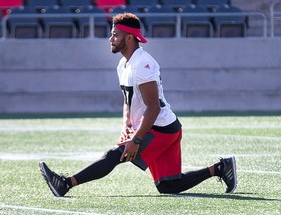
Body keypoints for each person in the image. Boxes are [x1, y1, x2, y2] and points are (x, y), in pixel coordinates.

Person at [39, 13, 237, 197]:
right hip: (161, 126)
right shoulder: (123, 64)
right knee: (168, 186)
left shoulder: (142, 63)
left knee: (114, 155)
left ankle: (65, 184)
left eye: (116, 34)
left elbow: (153, 107)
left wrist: (136, 138)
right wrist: (127, 125)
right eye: (111, 34)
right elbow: (129, 100)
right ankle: (220, 168)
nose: (111, 38)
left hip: (161, 128)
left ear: (129, 38)